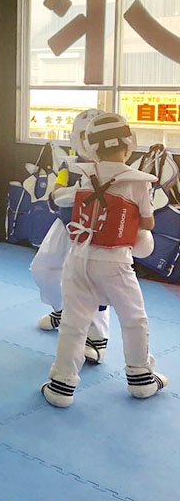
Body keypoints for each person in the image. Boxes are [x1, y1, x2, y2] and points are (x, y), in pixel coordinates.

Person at [42, 112, 167, 408]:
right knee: (134, 319)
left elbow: (64, 198)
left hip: (78, 256)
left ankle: (62, 385)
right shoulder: (138, 181)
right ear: (129, 142)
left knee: (74, 323)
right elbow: (147, 223)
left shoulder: (86, 173)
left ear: (91, 147)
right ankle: (140, 378)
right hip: (114, 262)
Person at [30, 109, 110, 363]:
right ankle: (62, 310)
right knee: (43, 269)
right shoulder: (69, 163)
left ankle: (96, 340)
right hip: (65, 224)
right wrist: (68, 194)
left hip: (96, 233)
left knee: (92, 283)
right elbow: (57, 192)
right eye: (84, 134)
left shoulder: (113, 167)